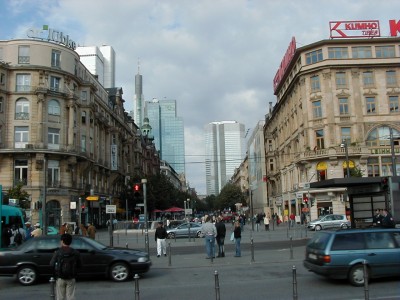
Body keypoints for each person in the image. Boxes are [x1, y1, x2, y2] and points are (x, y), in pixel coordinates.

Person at [50, 233, 82, 300]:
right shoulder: (75, 252)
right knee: (70, 297)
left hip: (60, 277)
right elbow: (80, 265)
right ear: (70, 242)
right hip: (71, 277)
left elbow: (51, 264)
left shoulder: (57, 252)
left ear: (62, 241)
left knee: (60, 297)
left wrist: (55, 275)